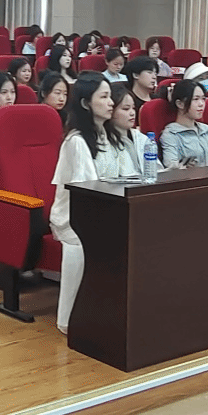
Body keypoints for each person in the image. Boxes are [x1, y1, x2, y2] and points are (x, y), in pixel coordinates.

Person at [48, 72, 124, 335]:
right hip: (73, 217)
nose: (111, 103)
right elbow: (88, 192)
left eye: (110, 96)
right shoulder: (77, 141)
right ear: (85, 103)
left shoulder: (108, 135)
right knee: (88, 243)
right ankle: (71, 318)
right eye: (103, 97)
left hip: (102, 209)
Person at [160, 80, 208, 168]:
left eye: (203, 99)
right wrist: (182, 166)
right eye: (196, 99)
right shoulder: (171, 134)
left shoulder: (207, 130)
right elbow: (170, 165)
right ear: (180, 104)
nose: (201, 104)